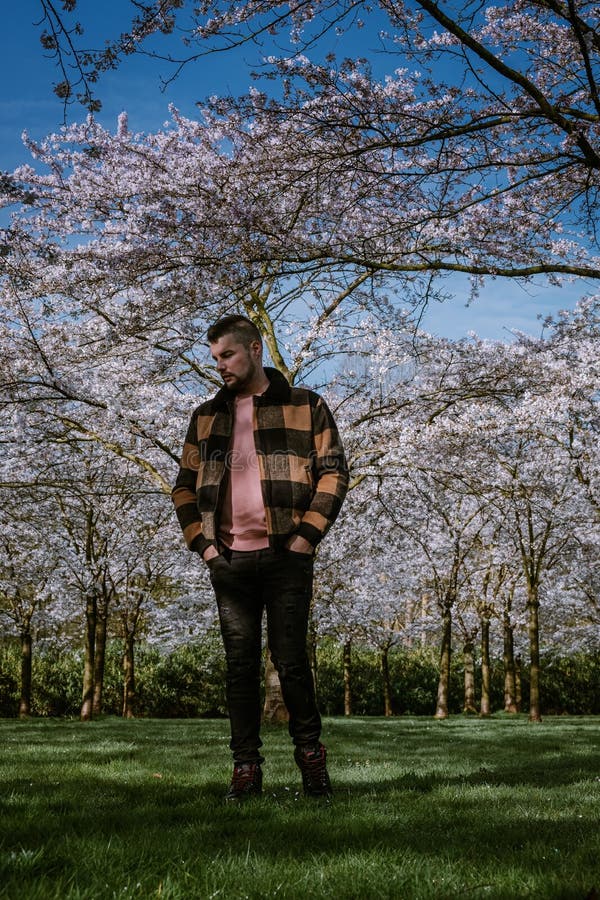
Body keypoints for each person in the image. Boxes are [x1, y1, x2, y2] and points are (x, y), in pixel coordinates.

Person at [171, 315, 349, 801]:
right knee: (239, 667)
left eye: (227, 355)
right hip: (228, 561)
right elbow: (183, 487)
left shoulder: (305, 405)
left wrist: (307, 537)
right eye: (215, 359)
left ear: (255, 348)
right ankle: (246, 770)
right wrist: (203, 545)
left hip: (286, 556)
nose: (220, 367)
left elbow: (334, 472)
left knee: (290, 662)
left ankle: (312, 763)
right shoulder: (206, 416)